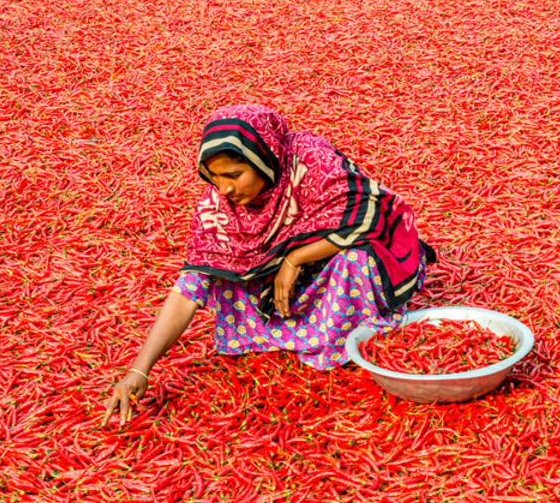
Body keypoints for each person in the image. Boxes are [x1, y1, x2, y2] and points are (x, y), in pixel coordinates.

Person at [102, 104, 434, 425]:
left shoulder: (308, 159)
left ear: (264, 159)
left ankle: (335, 331)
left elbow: (366, 214)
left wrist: (295, 258)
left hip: (328, 262)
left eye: (234, 174)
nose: (225, 188)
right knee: (222, 272)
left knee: (355, 261)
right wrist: (139, 370)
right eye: (215, 177)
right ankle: (305, 330)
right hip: (283, 281)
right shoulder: (219, 204)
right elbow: (190, 288)